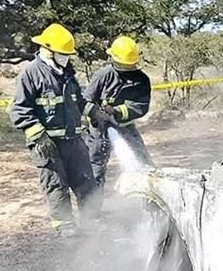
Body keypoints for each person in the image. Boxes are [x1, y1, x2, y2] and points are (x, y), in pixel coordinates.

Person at [10, 23, 98, 237]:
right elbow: (19, 110)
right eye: (62, 54)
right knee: (56, 185)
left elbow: (78, 101)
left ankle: (92, 222)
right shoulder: (30, 74)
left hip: (74, 141)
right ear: (48, 50)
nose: (66, 58)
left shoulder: (66, 73)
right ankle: (64, 227)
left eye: (68, 55)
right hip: (48, 145)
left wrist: (95, 112)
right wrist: (39, 136)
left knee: (86, 181)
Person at [83, 35, 153, 194]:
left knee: (144, 163)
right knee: (96, 168)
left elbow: (141, 106)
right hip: (99, 129)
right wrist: (95, 112)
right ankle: (93, 210)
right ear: (112, 58)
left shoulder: (142, 80)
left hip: (125, 127)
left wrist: (116, 111)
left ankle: (150, 203)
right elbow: (85, 100)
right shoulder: (103, 75)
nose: (127, 69)